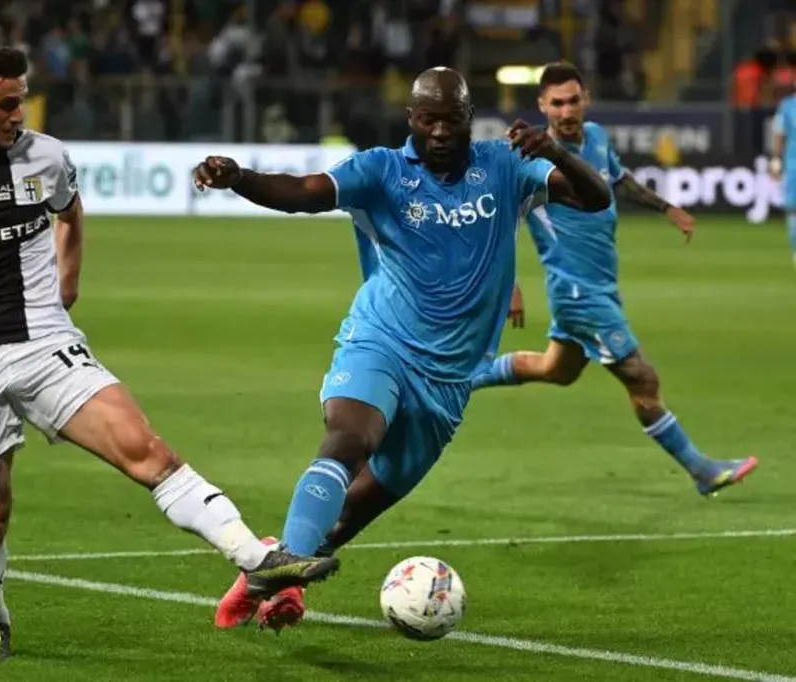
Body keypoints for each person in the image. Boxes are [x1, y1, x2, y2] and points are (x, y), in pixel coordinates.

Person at [0, 37, 338, 659]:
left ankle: (257, 558)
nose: (19, 115)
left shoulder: (46, 156)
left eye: (23, 101)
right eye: (6, 104)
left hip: (46, 342)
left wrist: (68, 280)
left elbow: (69, 212)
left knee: (146, 450)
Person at [192, 66, 612, 632]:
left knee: (347, 517)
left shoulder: (507, 165)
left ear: (469, 118)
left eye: (451, 120)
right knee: (348, 439)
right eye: (427, 119)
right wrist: (239, 177)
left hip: (449, 379)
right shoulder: (381, 170)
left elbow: (595, 198)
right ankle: (282, 572)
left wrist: (556, 153)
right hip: (382, 340)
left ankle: (270, 573)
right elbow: (302, 194)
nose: (439, 131)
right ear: (411, 118)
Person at [470, 62, 759, 496]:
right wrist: (509, 284)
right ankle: (702, 471)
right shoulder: (534, 160)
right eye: (557, 103)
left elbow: (619, 181)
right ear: (542, 106)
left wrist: (666, 208)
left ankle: (464, 377)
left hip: (600, 284)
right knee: (642, 379)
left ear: (585, 98)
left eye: (573, 100)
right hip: (577, 292)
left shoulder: (598, 137)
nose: (566, 111)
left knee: (556, 369)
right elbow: (501, 220)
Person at [769, 74, 796, 266]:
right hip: (794, 164)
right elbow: (779, 134)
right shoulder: (787, 106)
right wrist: (776, 160)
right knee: (793, 209)